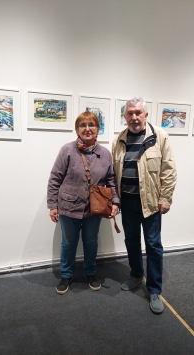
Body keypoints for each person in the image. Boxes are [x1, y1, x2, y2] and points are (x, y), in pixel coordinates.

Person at [112, 97, 177, 314]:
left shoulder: (160, 136)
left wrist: (165, 198)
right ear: (125, 116)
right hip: (127, 202)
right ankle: (136, 274)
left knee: (153, 245)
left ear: (146, 114)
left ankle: (154, 289)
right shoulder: (119, 140)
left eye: (138, 112)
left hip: (150, 202)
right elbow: (115, 173)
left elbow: (169, 170)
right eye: (130, 113)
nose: (134, 117)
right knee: (131, 240)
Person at [47, 111, 119, 295]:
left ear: (97, 129)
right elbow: (55, 178)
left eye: (91, 125)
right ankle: (66, 275)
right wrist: (53, 205)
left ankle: (90, 273)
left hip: (94, 208)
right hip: (68, 206)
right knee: (68, 242)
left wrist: (115, 203)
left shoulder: (105, 154)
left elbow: (111, 180)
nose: (87, 129)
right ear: (77, 129)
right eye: (83, 125)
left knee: (91, 241)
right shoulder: (67, 150)